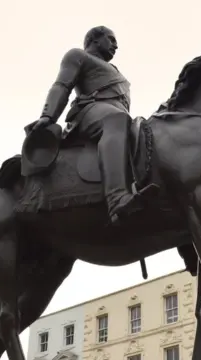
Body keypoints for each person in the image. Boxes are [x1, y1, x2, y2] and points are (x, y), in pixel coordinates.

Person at [28, 26, 146, 225]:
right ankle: (116, 197)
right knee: (116, 120)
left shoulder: (116, 71)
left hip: (117, 115)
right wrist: (48, 116)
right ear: (94, 40)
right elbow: (62, 85)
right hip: (89, 112)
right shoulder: (78, 55)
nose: (116, 45)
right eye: (111, 39)